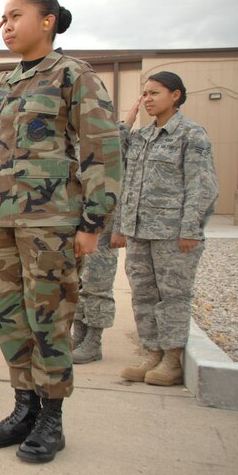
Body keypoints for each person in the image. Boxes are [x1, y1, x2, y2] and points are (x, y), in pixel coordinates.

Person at [0, 0, 121, 463]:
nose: (6, 24)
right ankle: (23, 407)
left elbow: (102, 150)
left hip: (52, 222)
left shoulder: (73, 75)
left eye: (16, 15)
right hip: (1, 219)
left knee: (50, 317)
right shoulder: (4, 82)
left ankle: (51, 418)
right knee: (9, 318)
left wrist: (93, 223)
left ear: (47, 21)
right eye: (2, 16)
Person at [116, 72, 218, 387]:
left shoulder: (191, 134)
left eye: (154, 93)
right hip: (138, 232)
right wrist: (125, 125)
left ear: (175, 95)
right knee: (144, 295)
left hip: (173, 233)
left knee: (173, 296)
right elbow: (123, 177)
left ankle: (172, 360)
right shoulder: (142, 136)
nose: (147, 99)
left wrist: (191, 229)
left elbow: (201, 185)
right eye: (144, 93)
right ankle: (152, 353)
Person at [72, 98, 141, 364]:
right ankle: (78, 335)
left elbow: (122, 184)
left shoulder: (112, 139)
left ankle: (93, 340)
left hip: (103, 226)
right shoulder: (76, 141)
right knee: (77, 284)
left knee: (97, 285)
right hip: (77, 225)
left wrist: (120, 228)